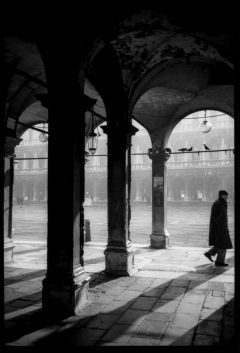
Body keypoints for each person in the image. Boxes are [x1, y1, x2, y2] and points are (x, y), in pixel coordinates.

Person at [204, 190, 233, 266]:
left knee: (221, 243)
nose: (227, 197)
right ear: (223, 196)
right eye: (227, 196)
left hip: (220, 228)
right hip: (220, 228)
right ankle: (220, 261)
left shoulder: (220, 203)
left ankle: (209, 253)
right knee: (223, 244)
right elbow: (217, 217)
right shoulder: (219, 203)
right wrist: (223, 226)